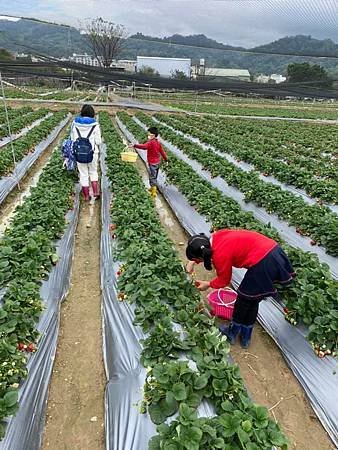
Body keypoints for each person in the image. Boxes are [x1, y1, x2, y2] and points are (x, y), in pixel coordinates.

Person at [185, 229, 295, 348]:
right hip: (273, 250)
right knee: (252, 300)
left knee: (243, 300)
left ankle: (232, 333)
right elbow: (205, 252)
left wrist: (208, 284)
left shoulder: (220, 255)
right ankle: (245, 336)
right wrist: (193, 261)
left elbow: (224, 280)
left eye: (198, 260)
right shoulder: (217, 237)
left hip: (264, 262)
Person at [71, 104, 102, 201]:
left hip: (79, 153)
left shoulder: (75, 124)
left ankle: (86, 196)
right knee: (93, 172)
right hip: (93, 152)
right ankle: (96, 192)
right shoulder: (95, 125)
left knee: (83, 174)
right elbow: (98, 141)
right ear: (92, 113)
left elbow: (72, 139)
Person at [129, 126, 168, 197]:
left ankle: (154, 191)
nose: (148, 136)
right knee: (155, 175)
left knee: (152, 177)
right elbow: (162, 152)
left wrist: (134, 145)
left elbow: (144, 147)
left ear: (153, 135)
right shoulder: (158, 142)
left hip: (152, 163)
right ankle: (152, 188)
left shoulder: (151, 142)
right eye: (148, 134)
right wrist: (166, 159)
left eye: (150, 135)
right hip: (157, 162)